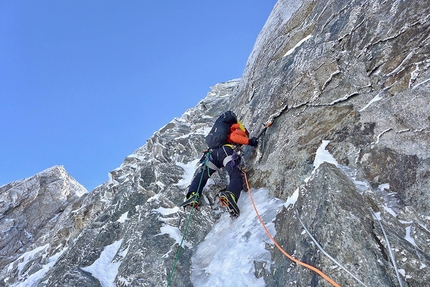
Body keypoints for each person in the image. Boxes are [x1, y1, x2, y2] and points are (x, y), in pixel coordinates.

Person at [181, 111, 258, 217]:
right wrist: (250, 141)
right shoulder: (234, 128)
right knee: (235, 174)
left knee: (201, 176)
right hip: (225, 152)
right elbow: (235, 138)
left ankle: (193, 195)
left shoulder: (218, 132)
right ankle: (230, 194)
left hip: (212, 155)